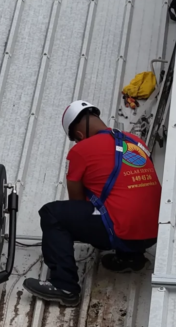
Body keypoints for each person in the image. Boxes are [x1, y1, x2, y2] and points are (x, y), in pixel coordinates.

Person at [23, 100, 161, 306]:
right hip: (154, 231)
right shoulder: (136, 142)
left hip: (122, 231)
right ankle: (130, 258)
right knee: (125, 197)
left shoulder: (81, 150)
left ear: (78, 135)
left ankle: (64, 286)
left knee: (53, 213)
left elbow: (77, 201)